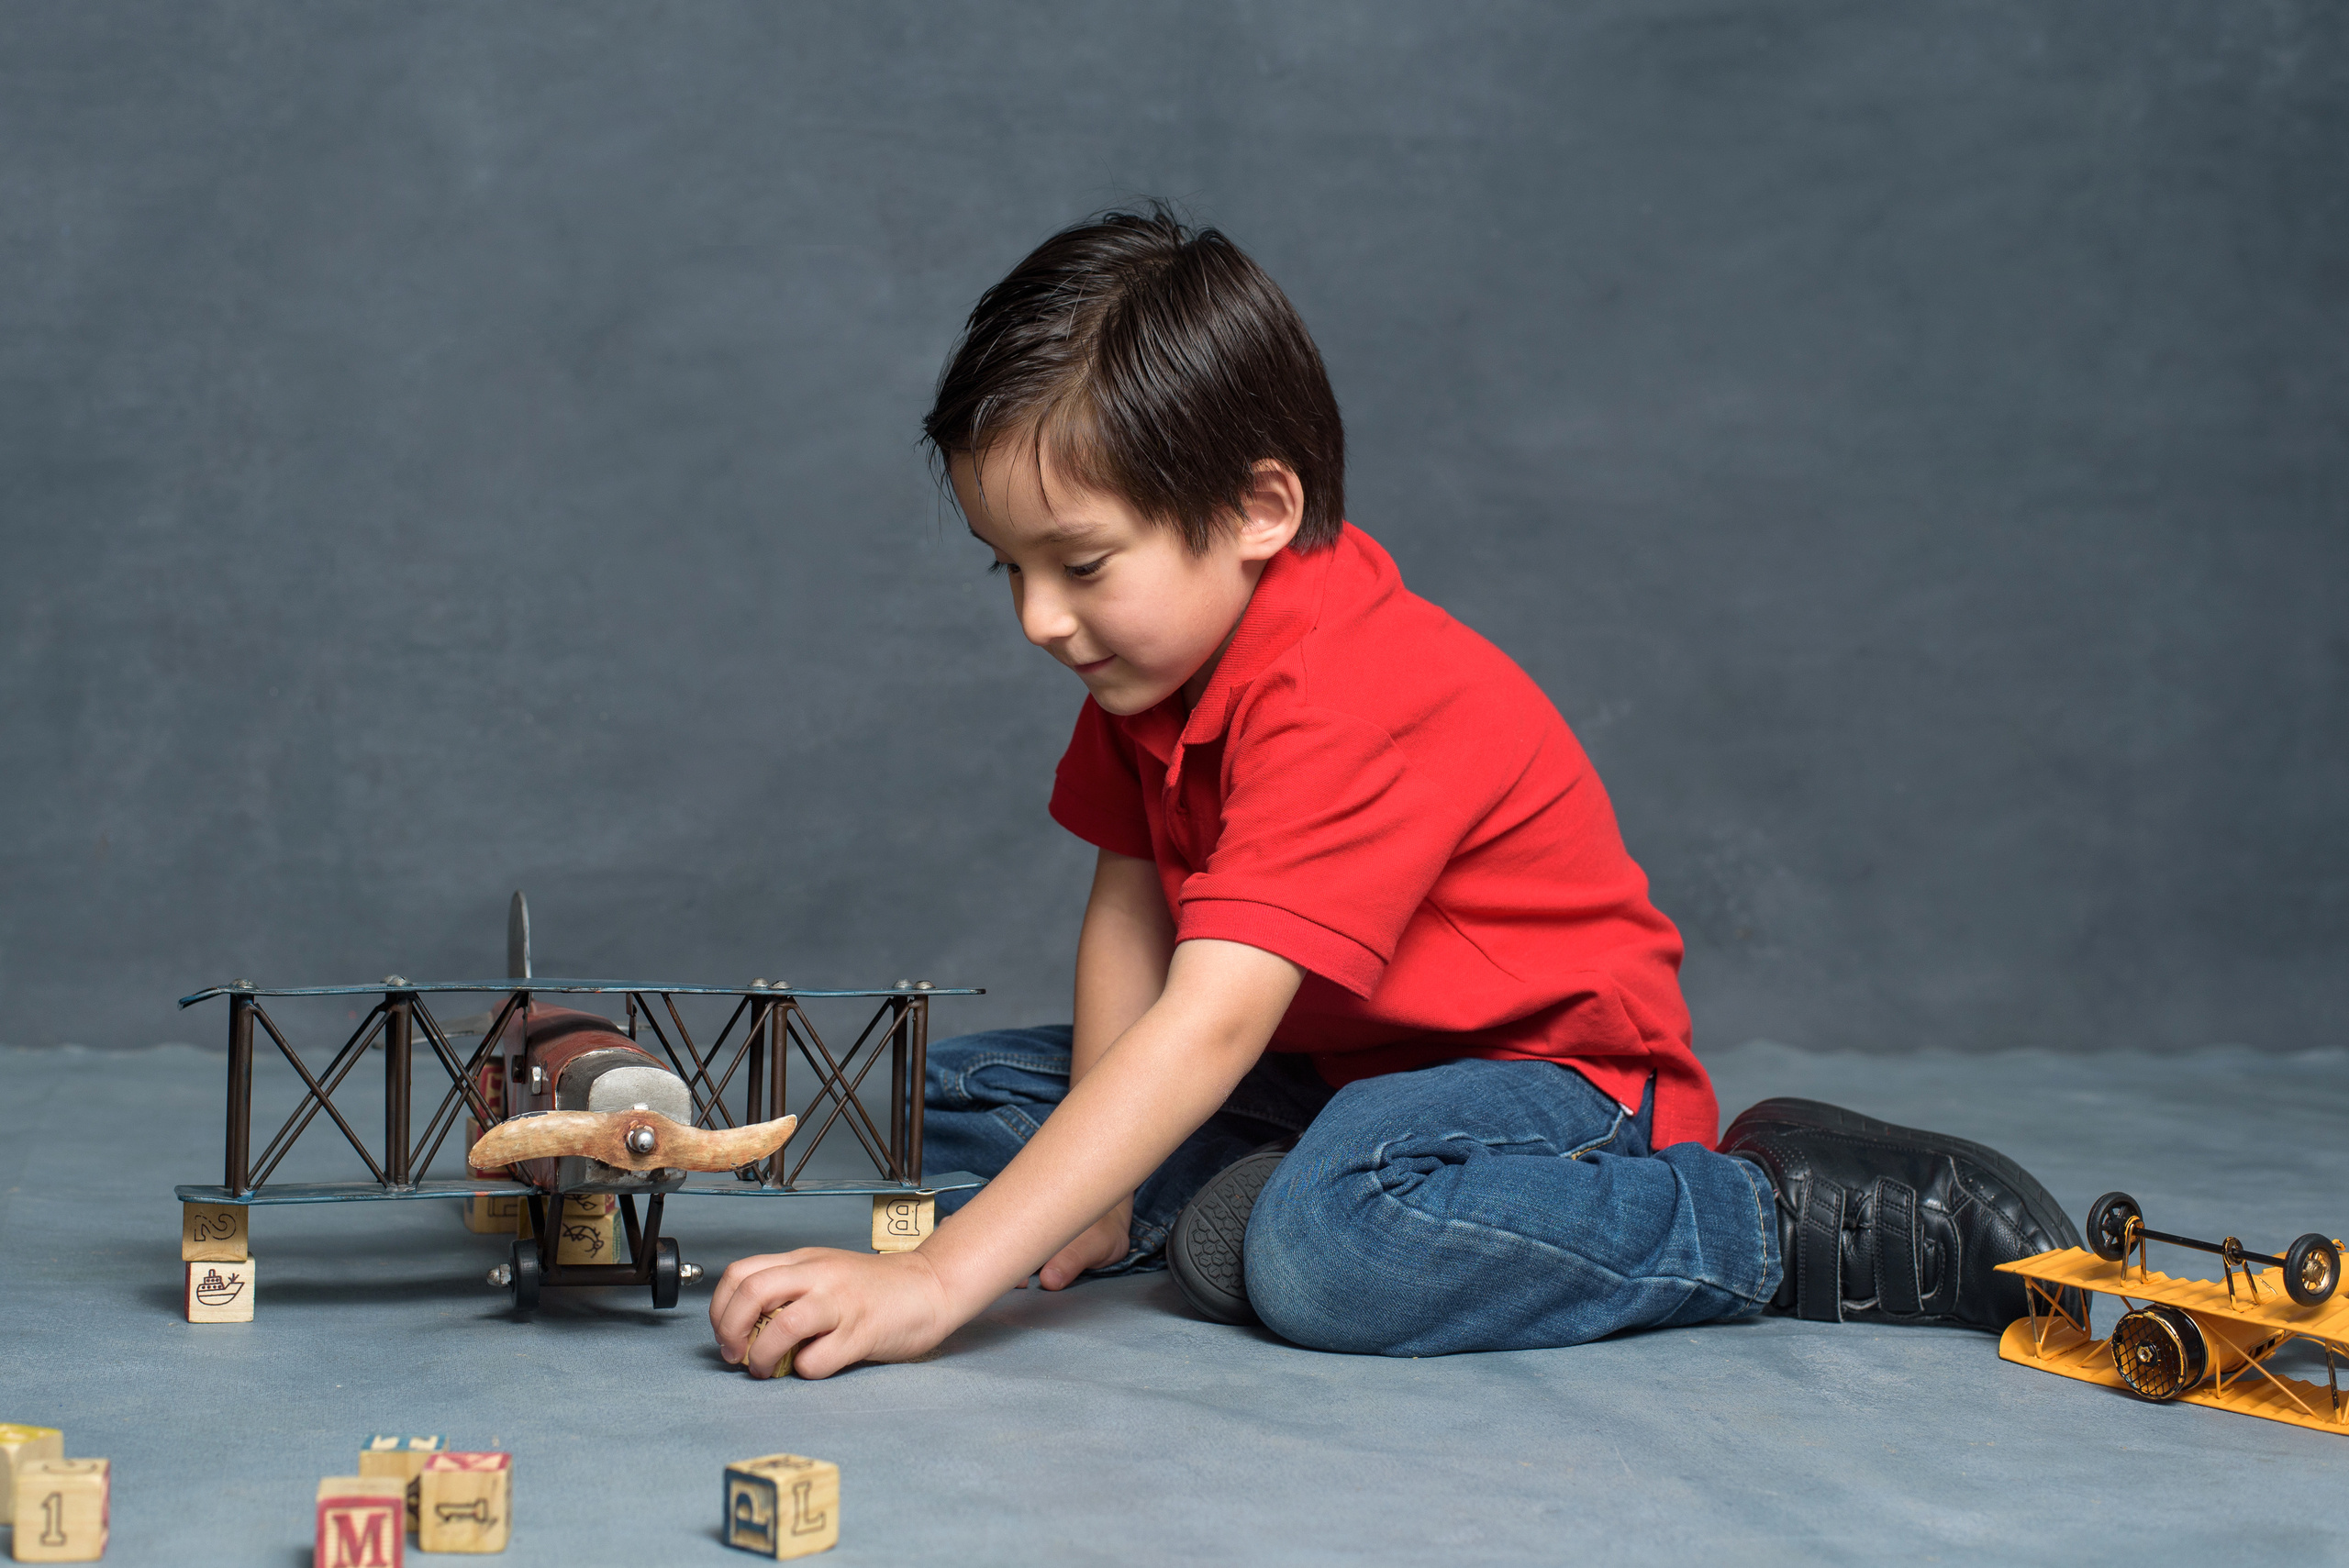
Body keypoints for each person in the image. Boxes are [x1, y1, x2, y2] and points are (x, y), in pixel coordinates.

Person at [709, 207, 2077, 1377]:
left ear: (1256, 508)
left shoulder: (1348, 688)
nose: (1037, 620)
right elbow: (1130, 902)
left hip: (1553, 1077)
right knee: (949, 1101)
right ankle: (1209, 1193)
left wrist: (944, 1281)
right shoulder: (1153, 661)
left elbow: (1208, 1018)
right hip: (1322, 1069)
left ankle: (1765, 1218)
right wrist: (1101, 1183)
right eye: (1004, 569)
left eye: (1078, 563)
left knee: (1328, 1257)